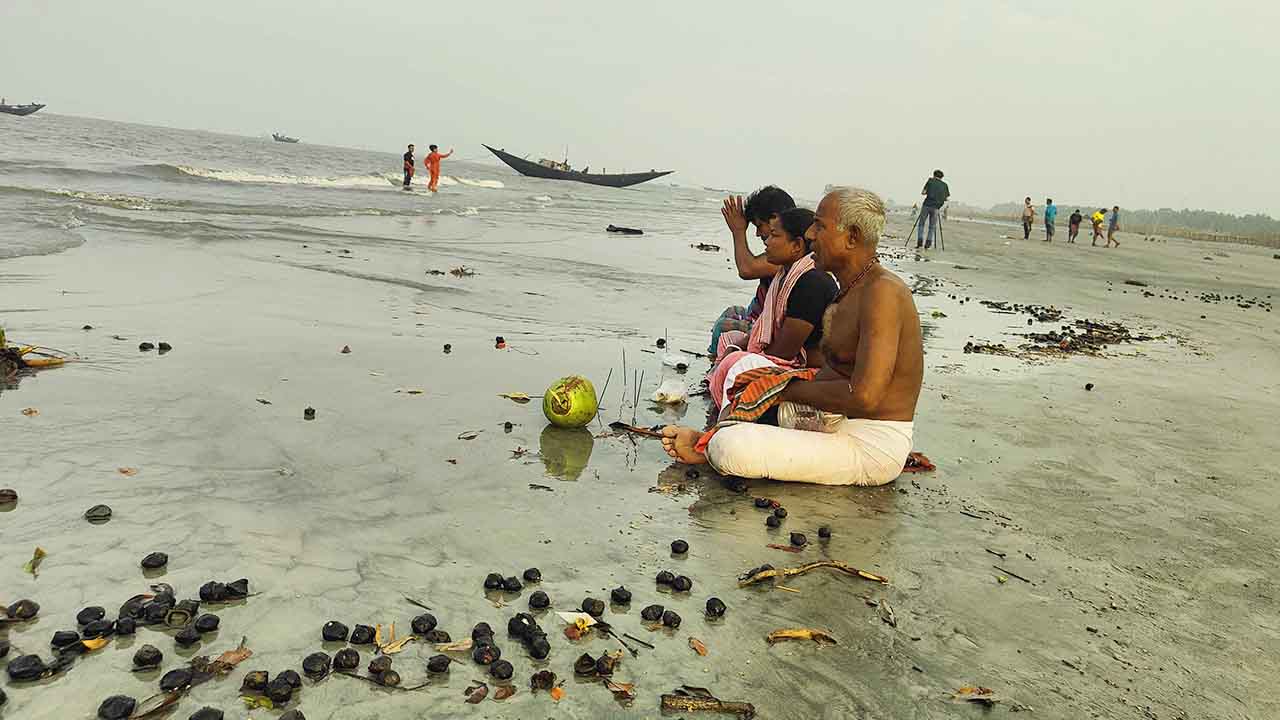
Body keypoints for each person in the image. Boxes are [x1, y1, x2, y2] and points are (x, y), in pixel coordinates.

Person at [662, 187, 923, 486]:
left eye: (820, 226)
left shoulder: (883, 293)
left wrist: (787, 391)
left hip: (872, 444)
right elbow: (834, 374)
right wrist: (773, 387)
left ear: (852, 237)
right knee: (751, 387)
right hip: (837, 421)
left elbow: (865, 397)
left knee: (730, 447)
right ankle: (709, 439)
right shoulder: (849, 291)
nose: (810, 234)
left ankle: (710, 446)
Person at [707, 207, 837, 408]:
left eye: (774, 236)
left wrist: (744, 355)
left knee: (736, 364)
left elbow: (784, 352)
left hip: (810, 369)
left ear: (796, 246)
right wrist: (738, 346)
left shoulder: (812, 283)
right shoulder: (784, 276)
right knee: (730, 342)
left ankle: (728, 418)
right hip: (787, 358)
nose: (766, 242)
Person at [706, 186, 797, 355]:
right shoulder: (788, 248)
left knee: (722, 327)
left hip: (768, 325)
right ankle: (715, 357)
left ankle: (715, 365)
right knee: (732, 311)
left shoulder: (790, 252)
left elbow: (747, 269)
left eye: (759, 225)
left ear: (775, 219)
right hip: (759, 313)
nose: (757, 233)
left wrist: (738, 231)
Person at [917, 170, 949, 249]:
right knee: (932, 227)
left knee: (921, 224)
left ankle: (920, 242)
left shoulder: (930, 181)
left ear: (934, 175)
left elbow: (923, 192)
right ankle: (928, 244)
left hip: (927, 205)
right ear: (942, 177)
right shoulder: (945, 185)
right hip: (936, 208)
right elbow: (946, 198)